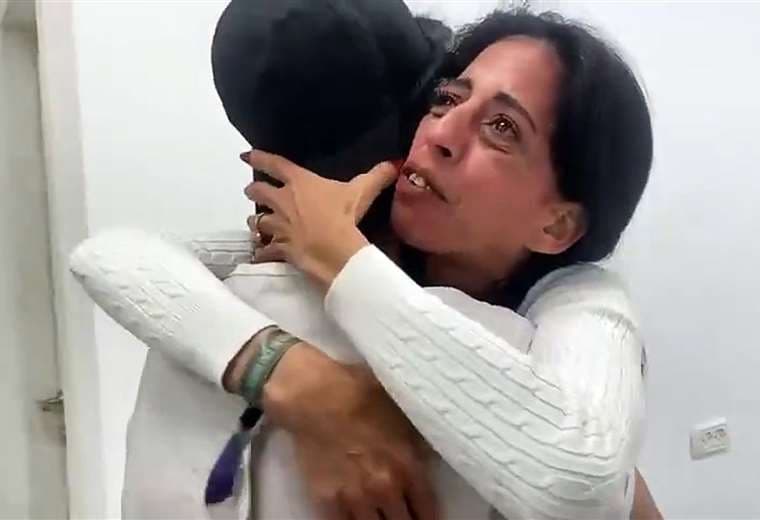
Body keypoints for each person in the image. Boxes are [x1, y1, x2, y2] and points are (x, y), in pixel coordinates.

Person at [71, 8, 661, 520]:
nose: (441, 133)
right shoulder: (309, 256)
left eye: (502, 127)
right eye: (447, 98)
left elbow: (581, 481)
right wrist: (305, 384)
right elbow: (110, 256)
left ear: (557, 226)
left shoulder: (581, 301)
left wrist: (342, 257)